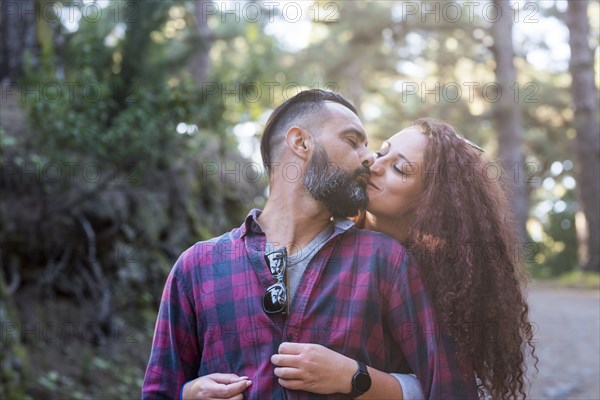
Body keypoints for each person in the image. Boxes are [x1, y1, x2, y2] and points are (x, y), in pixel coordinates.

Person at [142, 90, 477, 400]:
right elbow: (158, 391)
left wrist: (356, 378)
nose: (369, 160)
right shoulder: (197, 266)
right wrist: (188, 394)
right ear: (300, 142)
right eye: (352, 141)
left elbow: (451, 388)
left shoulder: (385, 261)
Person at [275, 118, 538, 399]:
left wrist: (353, 377)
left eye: (399, 168)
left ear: (432, 201)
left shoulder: (439, 283)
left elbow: (449, 388)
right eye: (381, 152)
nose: (373, 166)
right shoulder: (316, 236)